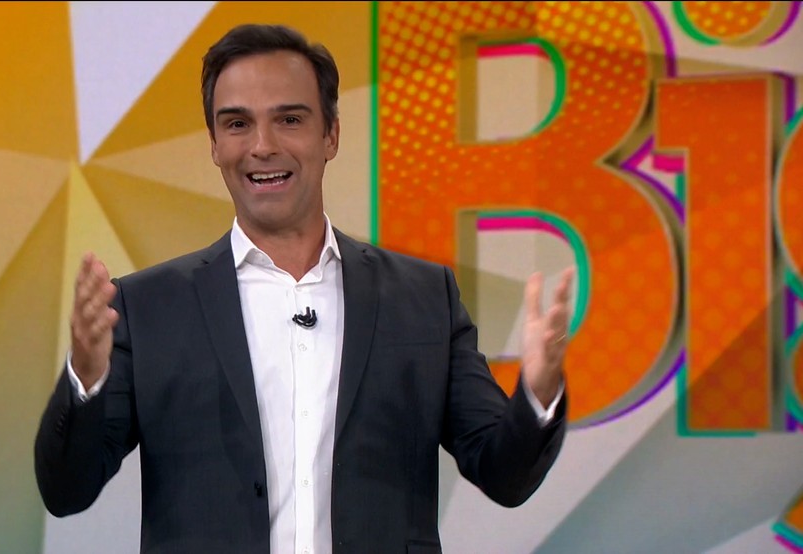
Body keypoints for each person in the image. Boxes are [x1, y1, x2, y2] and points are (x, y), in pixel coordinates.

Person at [35, 23, 571, 554]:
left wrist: (538, 394)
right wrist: (85, 379)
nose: (262, 146)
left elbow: (504, 474)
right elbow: (66, 491)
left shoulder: (423, 299)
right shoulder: (148, 308)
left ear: (330, 135)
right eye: (238, 124)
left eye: (289, 120)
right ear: (215, 145)